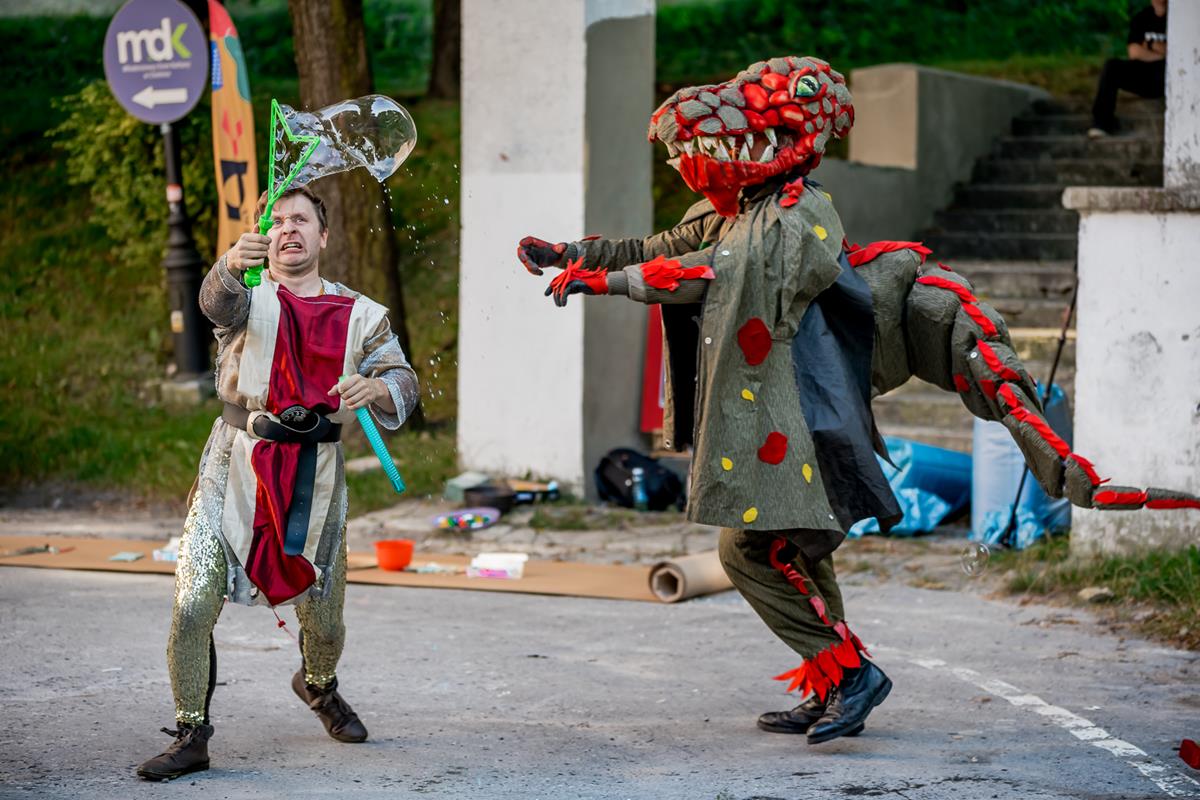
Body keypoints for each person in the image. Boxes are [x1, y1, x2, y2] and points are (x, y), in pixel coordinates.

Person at [517, 55, 1199, 747]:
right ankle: (833, 682)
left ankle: (852, 675)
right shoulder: (729, 211)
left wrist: (609, 284)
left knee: (750, 550)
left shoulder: (801, 215)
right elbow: (655, 246)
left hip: (808, 418)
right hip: (775, 416)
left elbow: (713, 272)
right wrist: (571, 253)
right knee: (797, 553)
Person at [136, 185, 419, 781]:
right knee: (193, 600)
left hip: (315, 477)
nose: (289, 229)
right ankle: (191, 733)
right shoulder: (247, 296)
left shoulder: (362, 314)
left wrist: (379, 386)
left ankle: (318, 685)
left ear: (324, 235)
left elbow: (404, 380)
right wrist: (227, 265)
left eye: (302, 220)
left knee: (326, 618)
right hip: (233, 463)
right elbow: (214, 303)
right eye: (278, 221)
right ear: (265, 237)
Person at [1088, 0, 1167, 138]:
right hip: (1144, 74)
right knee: (1112, 66)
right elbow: (1134, 52)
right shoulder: (1142, 18)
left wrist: (1148, 45)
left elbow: (1180, 56)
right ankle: (1101, 124)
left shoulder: (1178, 18)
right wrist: (1161, 52)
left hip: (1168, 76)